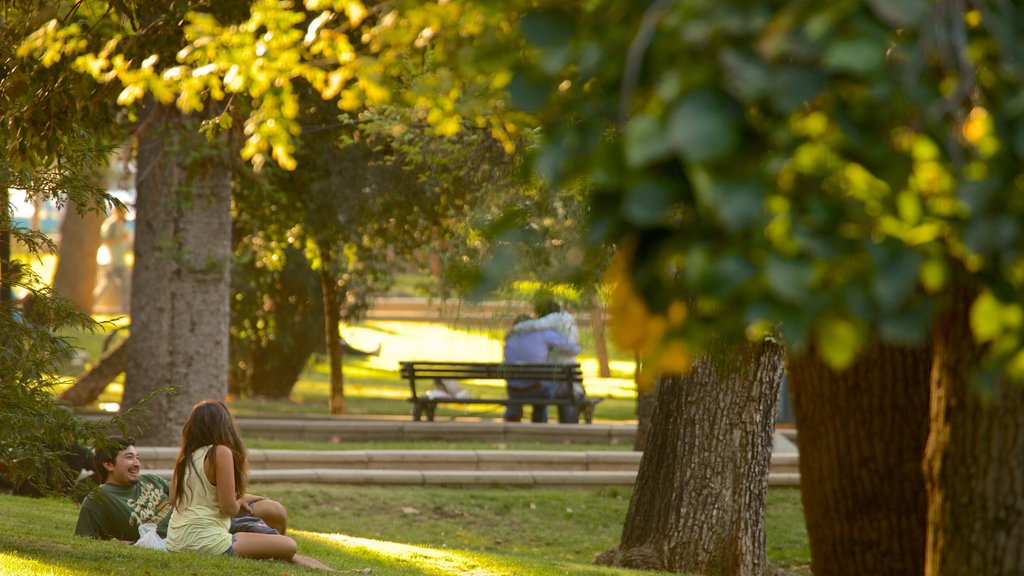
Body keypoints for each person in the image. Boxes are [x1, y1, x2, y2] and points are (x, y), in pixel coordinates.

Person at [166, 400, 331, 570]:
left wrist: (238, 498)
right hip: (206, 541)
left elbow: (173, 500)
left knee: (280, 547)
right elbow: (229, 509)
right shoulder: (220, 452)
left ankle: (340, 572)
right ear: (224, 425)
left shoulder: (186, 458)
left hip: (175, 540)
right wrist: (239, 499)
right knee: (288, 545)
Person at [75, 436, 287, 543]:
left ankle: (276, 551)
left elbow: (190, 493)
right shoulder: (98, 499)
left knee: (272, 509)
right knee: (276, 542)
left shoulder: (149, 480)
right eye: (129, 457)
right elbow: (84, 542)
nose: (137, 463)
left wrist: (241, 497)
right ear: (108, 465)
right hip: (185, 535)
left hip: (202, 517)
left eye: (137, 457)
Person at [509, 299, 582, 422]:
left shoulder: (554, 318)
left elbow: (537, 325)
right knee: (564, 393)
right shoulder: (568, 319)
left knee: (548, 391)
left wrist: (517, 327)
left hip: (555, 370)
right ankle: (568, 425)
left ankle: (540, 424)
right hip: (567, 369)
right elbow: (574, 346)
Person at [93, 206, 131, 310]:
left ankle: (125, 309)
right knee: (105, 285)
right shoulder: (110, 224)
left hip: (120, 260)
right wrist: (120, 238)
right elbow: (105, 241)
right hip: (111, 260)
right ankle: (91, 302)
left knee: (125, 286)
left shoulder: (121, 224)